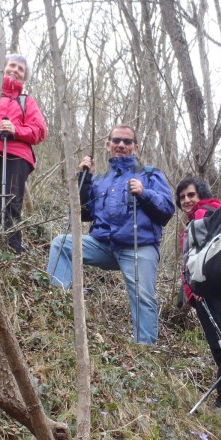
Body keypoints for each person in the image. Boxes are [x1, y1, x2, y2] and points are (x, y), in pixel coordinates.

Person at [47, 125, 175, 344]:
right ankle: (56, 310)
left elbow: (167, 210)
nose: (121, 145)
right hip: (104, 245)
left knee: (143, 296)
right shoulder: (100, 180)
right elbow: (83, 214)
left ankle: (145, 348)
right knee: (62, 244)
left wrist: (145, 192)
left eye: (127, 142)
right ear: (108, 145)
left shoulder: (150, 174)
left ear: (136, 147)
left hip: (139, 246)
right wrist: (84, 179)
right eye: (116, 141)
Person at [176, 177, 221, 418]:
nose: (186, 200)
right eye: (182, 197)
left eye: (190, 195)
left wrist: (195, 288)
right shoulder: (216, 213)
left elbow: (198, 258)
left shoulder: (202, 216)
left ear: (201, 195)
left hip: (208, 291)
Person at [0, 54, 47, 254]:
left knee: (12, 203)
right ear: (3, 68)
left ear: (24, 77)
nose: (15, 70)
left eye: (20, 69)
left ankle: (13, 250)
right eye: (12, 66)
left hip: (16, 153)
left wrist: (16, 130)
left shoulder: (26, 101)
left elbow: (39, 131)